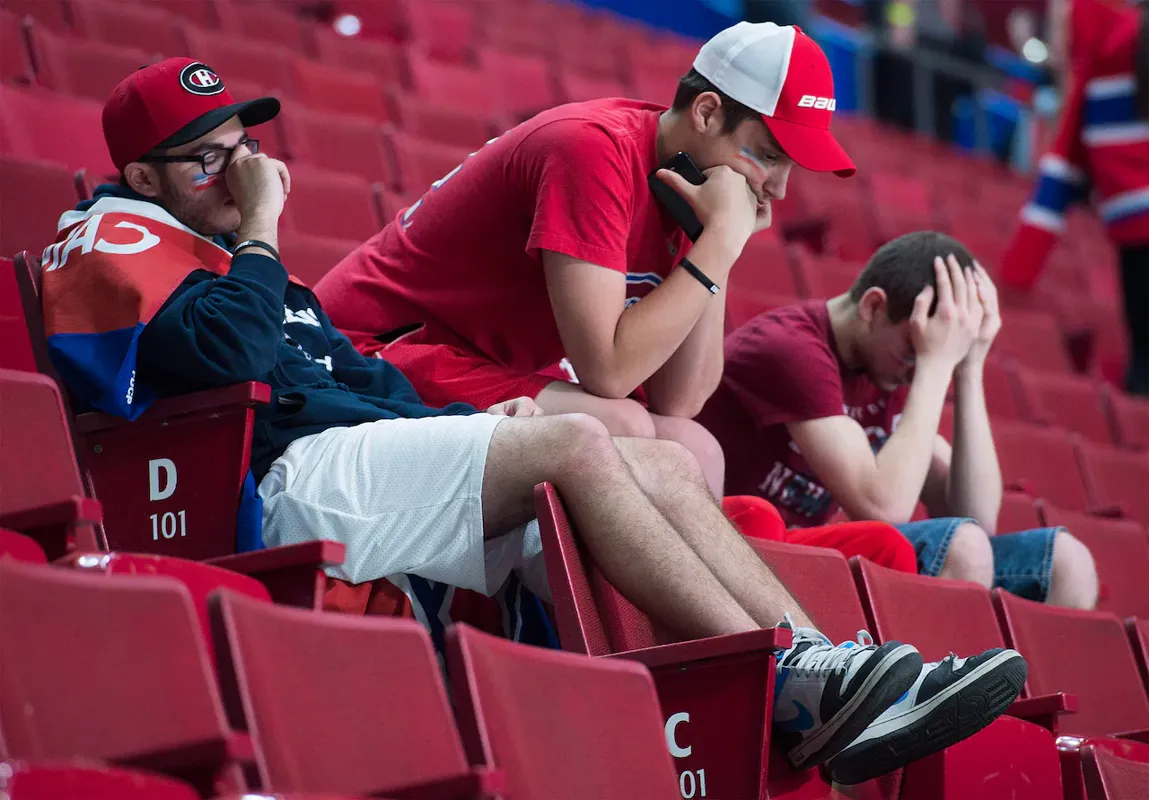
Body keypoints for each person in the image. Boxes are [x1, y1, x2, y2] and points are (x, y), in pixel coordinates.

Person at [39, 58, 1025, 787]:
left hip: (362, 447)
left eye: (243, 148)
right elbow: (230, 363)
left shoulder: (250, 272)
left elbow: (355, 375)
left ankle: (823, 661)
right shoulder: (119, 237)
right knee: (590, 439)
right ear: (145, 176)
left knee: (668, 465)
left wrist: (470, 416)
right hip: (280, 474)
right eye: (207, 159)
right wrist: (257, 231)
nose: (241, 169)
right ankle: (785, 681)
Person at [315, 22, 857, 497]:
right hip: (363, 351)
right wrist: (718, 246)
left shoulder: (692, 188)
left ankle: (700, 620)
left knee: (696, 448)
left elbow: (682, 399)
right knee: (621, 423)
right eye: (767, 157)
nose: (780, 190)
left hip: (477, 363)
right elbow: (609, 372)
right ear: (708, 113)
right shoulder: (592, 151)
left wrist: (719, 242)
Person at [698, 231, 1100, 610]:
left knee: (1068, 563)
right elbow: (883, 508)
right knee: (963, 547)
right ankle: (935, 683)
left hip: (819, 555)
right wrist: (934, 363)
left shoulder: (895, 363)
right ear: (873, 307)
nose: (916, 369)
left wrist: (968, 366)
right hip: (746, 549)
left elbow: (978, 514)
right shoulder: (791, 348)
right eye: (914, 349)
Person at [1002, 0, 1149, 396]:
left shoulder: (1101, 63)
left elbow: (1062, 167)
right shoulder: (1120, 50)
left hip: (1133, 229)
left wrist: (1019, 267)